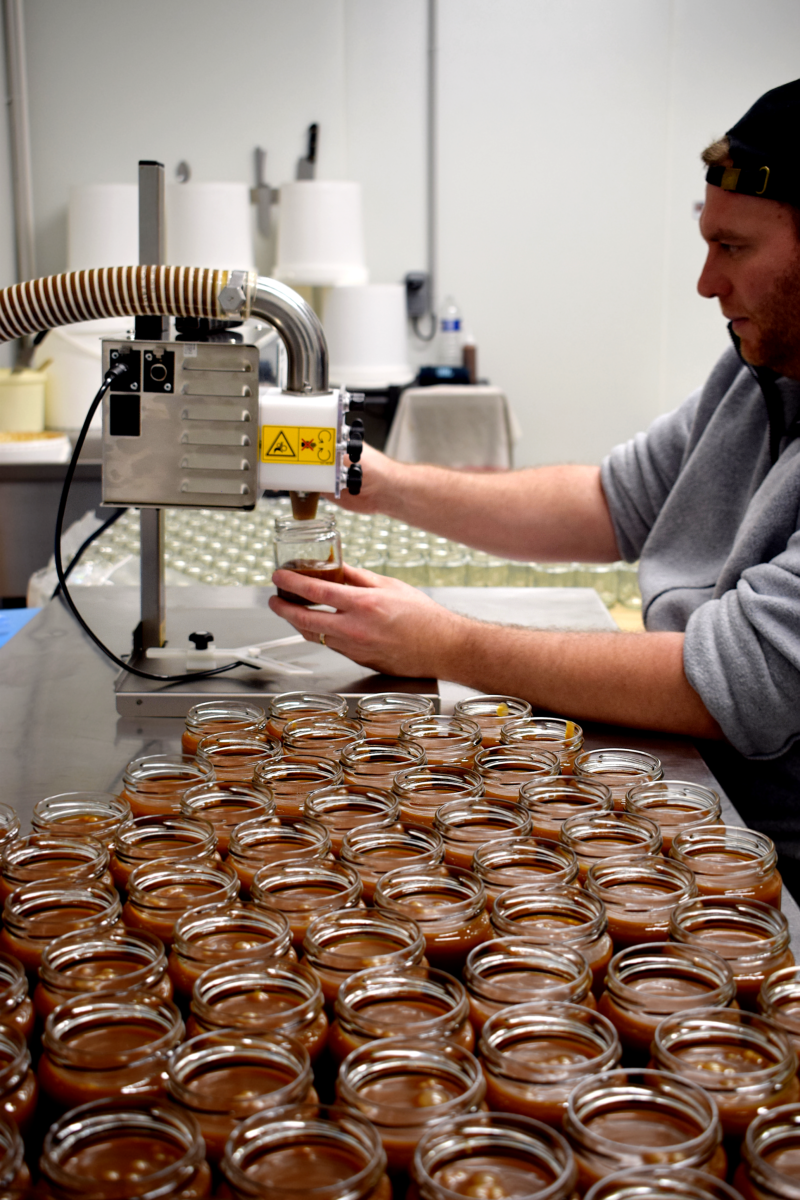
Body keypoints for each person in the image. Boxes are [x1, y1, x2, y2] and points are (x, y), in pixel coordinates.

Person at [270, 79, 800, 880]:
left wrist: (443, 641)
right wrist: (377, 481)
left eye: (734, 248)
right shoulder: (759, 371)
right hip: (698, 796)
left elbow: (735, 680)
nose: (705, 282)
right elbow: (609, 502)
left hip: (771, 863)